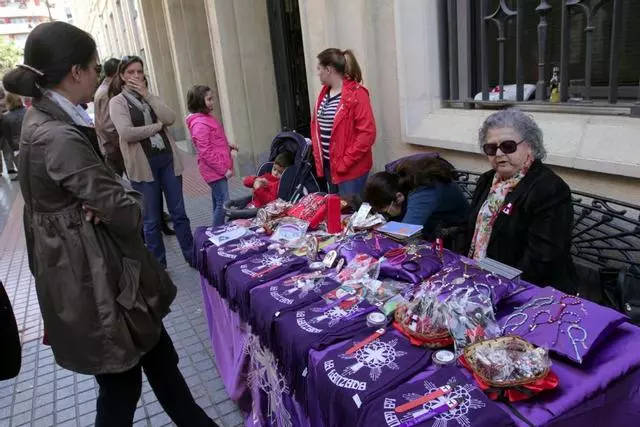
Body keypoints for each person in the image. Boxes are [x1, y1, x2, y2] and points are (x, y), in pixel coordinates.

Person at [3, 21, 216, 426]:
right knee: (123, 385)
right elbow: (124, 211)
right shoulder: (57, 135)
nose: (99, 75)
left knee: (159, 365)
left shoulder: (43, 122)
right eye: (95, 67)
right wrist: (122, 202)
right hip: (100, 280)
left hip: (96, 273)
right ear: (75, 72)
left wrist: (103, 205)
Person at [464, 108, 576, 292]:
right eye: (491, 148)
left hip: (525, 289)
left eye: (508, 146)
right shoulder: (487, 180)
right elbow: (469, 229)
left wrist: (497, 288)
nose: (498, 153)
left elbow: (543, 259)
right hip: (480, 278)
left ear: (530, 146)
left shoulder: (549, 189)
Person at [109, 56, 194, 267]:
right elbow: (127, 133)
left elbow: (170, 118)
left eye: (139, 71)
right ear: (122, 76)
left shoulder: (150, 97)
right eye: (131, 72)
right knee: (151, 220)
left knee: (179, 213)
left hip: (167, 161)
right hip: (143, 167)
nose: (136, 76)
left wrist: (147, 94)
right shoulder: (117, 102)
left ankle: (192, 255)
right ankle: (159, 265)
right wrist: (156, 127)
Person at [311, 48, 376, 198]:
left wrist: (344, 163)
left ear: (328, 70)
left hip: (350, 170)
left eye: (319, 68)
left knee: (350, 210)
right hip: (330, 168)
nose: (318, 73)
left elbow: (367, 134)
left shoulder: (357, 94)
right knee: (336, 209)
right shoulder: (324, 94)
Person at [363, 157, 469, 239]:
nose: (386, 216)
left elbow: (404, 233)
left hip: (454, 231)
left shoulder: (423, 193)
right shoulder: (400, 181)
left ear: (399, 197)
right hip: (435, 221)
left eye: (386, 212)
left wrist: (377, 229)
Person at [186, 84, 237, 226]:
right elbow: (206, 152)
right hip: (215, 171)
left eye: (212, 98)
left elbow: (213, 142)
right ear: (199, 101)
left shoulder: (205, 118)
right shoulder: (200, 124)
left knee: (218, 201)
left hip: (216, 169)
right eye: (209, 99)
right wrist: (224, 170)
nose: (212, 102)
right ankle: (217, 231)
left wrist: (227, 147)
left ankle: (216, 230)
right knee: (223, 203)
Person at [94, 57, 125, 176]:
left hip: (109, 146)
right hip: (113, 147)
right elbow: (107, 126)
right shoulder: (107, 93)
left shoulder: (105, 89)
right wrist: (122, 143)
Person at [2, 93, 26, 180]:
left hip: (15, 144)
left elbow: (7, 135)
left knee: (19, 162)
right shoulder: (28, 112)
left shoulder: (6, 117)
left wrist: (12, 145)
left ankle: (21, 174)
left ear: (8, 102)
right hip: (30, 140)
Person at [0, 89, 18, 179]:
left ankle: (10, 168)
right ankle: (9, 168)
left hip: (4, 129)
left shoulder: (4, 102)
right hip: (4, 129)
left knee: (7, 150)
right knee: (7, 150)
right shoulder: (4, 103)